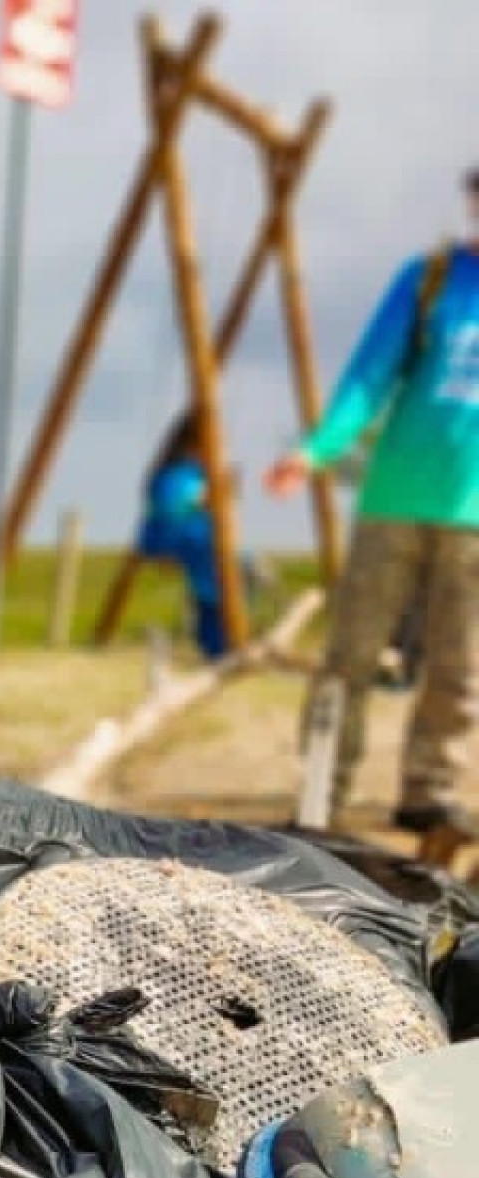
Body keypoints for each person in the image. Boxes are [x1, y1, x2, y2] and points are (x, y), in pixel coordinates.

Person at [266, 168, 479, 839]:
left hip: (474, 519)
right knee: (350, 654)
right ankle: (321, 792)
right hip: (393, 503)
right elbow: (369, 373)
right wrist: (317, 449)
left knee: (461, 667)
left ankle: (430, 791)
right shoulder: (429, 280)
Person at [137, 412, 233, 660]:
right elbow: (170, 504)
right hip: (174, 537)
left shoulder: (196, 472)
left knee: (223, 577)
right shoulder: (176, 472)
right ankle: (216, 643)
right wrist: (205, 496)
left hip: (195, 539)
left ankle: (220, 638)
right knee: (216, 580)